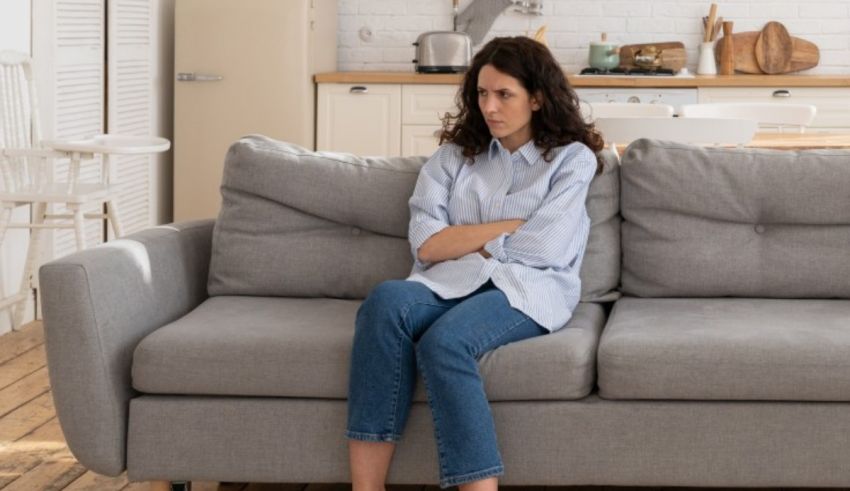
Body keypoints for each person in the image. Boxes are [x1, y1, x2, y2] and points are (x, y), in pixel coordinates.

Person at [345, 36, 605, 491]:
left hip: (527, 288)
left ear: (537, 98)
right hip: (446, 281)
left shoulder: (571, 159)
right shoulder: (451, 158)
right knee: (386, 301)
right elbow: (426, 244)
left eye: (504, 94)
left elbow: (543, 249)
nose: (490, 106)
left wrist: (466, 241)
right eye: (482, 93)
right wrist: (508, 228)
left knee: (444, 342)